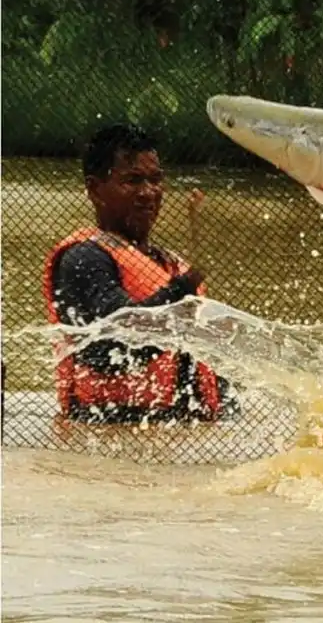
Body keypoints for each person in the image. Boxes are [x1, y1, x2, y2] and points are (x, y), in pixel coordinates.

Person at [42, 123, 240, 425]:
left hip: (182, 433)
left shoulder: (169, 263)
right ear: (95, 189)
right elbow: (120, 343)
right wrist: (188, 283)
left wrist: (231, 422)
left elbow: (205, 360)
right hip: (110, 434)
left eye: (155, 179)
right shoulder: (84, 259)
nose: (148, 193)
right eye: (132, 180)